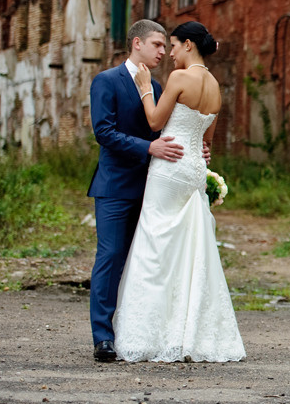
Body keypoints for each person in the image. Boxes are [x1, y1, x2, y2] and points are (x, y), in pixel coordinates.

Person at [112, 21, 245, 363]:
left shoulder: (179, 78)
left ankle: (148, 334)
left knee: (155, 244)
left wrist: (144, 87)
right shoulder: (215, 86)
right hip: (194, 172)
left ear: (188, 45)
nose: (169, 53)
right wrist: (201, 153)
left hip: (169, 168)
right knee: (188, 248)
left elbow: (156, 122)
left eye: (172, 46)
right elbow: (207, 143)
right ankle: (189, 332)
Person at [88, 19, 183, 363]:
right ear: (137, 44)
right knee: (111, 257)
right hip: (114, 187)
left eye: (165, 46)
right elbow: (104, 131)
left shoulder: (157, 88)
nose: (162, 52)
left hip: (151, 187)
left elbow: (166, 129)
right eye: (158, 44)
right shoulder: (106, 81)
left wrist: (195, 147)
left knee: (142, 260)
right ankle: (102, 336)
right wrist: (148, 148)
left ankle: (135, 331)